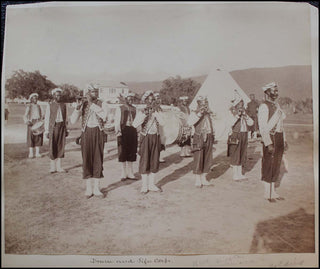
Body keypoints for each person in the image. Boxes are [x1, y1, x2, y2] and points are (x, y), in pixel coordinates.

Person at [70, 84, 108, 198]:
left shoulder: (102, 103)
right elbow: (72, 121)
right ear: (88, 92)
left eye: (96, 91)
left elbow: (104, 115)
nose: (94, 94)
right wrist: (77, 108)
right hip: (86, 133)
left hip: (98, 132)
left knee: (98, 159)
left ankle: (96, 188)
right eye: (92, 92)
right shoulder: (83, 104)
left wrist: (91, 104)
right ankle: (88, 188)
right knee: (86, 159)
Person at [258, 82, 288, 202]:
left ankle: (273, 192)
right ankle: (267, 193)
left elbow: (281, 125)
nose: (275, 93)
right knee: (268, 164)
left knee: (276, 164)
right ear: (267, 93)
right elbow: (263, 127)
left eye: (276, 91)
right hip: (270, 138)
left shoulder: (277, 106)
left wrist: (284, 140)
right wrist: (268, 143)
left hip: (279, 137)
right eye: (273, 91)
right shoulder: (264, 106)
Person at [132, 90, 165, 193]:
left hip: (155, 137)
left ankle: (151, 184)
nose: (151, 101)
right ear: (145, 100)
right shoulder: (141, 110)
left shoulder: (158, 110)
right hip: (145, 137)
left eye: (152, 99)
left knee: (154, 160)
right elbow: (134, 124)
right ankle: (144, 185)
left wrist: (155, 113)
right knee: (145, 160)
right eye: (149, 100)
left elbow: (163, 122)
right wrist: (145, 114)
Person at [187, 96, 214, 188]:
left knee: (208, 157)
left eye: (205, 103)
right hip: (199, 137)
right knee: (198, 158)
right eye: (202, 103)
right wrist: (199, 113)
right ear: (198, 104)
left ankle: (204, 177)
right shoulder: (194, 113)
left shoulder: (209, 113)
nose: (204, 105)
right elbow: (189, 122)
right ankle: (198, 179)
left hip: (209, 136)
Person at [227, 95, 254, 181]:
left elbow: (251, 123)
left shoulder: (244, 112)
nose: (241, 106)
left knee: (242, 153)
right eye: (240, 104)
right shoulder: (231, 112)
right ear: (236, 104)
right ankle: (235, 174)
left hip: (244, 134)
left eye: (242, 104)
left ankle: (240, 173)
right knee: (236, 154)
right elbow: (229, 123)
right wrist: (237, 115)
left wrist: (245, 115)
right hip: (236, 134)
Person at [114, 92, 138, 181]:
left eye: (132, 98)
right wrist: (118, 131)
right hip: (123, 130)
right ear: (126, 99)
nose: (131, 100)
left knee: (132, 151)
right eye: (129, 98)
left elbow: (137, 121)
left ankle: (130, 172)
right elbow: (117, 121)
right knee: (123, 151)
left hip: (132, 131)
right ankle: (123, 172)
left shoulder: (135, 109)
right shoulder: (120, 108)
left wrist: (138, 131)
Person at [44, 88, 69, 173]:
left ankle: (59, 167)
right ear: (54, 96)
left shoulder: (64, 105)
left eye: (60, 95)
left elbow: (66, 118)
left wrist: (66, 129)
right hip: (53, 128)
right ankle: (52, 167)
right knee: (52, 146)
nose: (59, 97)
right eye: (57, 95)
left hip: (61, 127)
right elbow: (47, 118)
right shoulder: (50, 105)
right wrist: (46, 130)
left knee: (61, 146)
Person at [23, 93, 44, 158]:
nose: (35, 100)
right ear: (31, 99)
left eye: (36, 98)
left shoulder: (39, 106)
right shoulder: (29, 106)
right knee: (31, 137)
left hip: (38, 122)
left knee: (39, 137)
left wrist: (42, 119)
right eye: (34, 98)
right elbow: (25, 115)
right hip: (31, 122)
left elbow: (43, 114)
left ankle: (37, 153)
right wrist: (27, 121)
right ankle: (31, 153)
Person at [154, 92, 166, 163]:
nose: (158, 100)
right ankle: (155, 157)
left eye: (158, 98)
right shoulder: (154, 108)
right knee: (156, 141)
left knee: (161, 141)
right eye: (156, 98)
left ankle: (159, 156)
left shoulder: (160, 108)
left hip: (161, 127)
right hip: (156, 127)